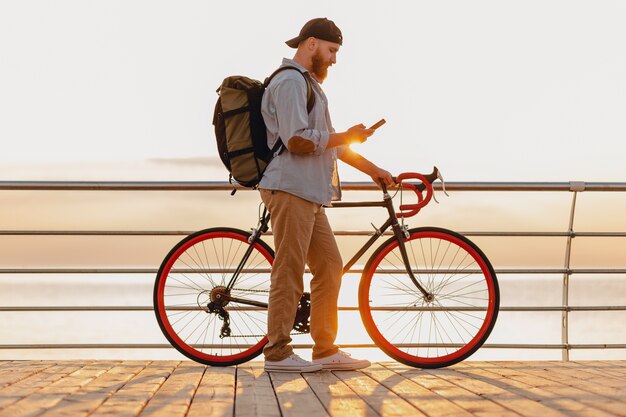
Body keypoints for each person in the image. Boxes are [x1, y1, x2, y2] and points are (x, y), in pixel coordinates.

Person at [259, 17, 395, 373]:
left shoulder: (310, 86)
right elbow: (297, 140)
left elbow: (331, 143)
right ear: (312, 44)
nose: (334, 59)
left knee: (330, 267)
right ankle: (277, 353)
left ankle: (324, 349)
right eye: (332, 50)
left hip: (310, 192)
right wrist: (343, 135)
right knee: (289, 270)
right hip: (290, 187)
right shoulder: (290, 82)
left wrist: (374, 170)